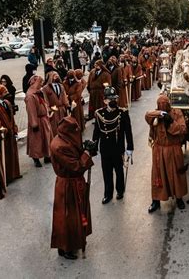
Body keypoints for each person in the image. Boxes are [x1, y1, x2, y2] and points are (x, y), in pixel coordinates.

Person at [50, 116, 94, 260]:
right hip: (68, 184)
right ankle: (66, 246)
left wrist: (84, 149)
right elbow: (76, 166)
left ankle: (69, 243)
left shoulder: (65, 139)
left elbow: (76, 152)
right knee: (67, 216)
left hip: (71, 183)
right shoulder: (59, 146)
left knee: (71, 215)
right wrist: (87, 153)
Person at [145, 95, 188, 213]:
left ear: (169, 104)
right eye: (160, 104)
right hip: (159, 150)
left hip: (173, 149)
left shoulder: (177, 113)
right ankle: (156, 201)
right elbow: (147, 115)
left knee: (177, 173)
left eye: (164, 104)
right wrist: (159, 114)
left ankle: (179, 198)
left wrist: (170, 122)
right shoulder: (156, 114)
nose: (162, 106)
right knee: (158, 175)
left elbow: (183, 129)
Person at [92, 87, 134, 204]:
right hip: (105, 149)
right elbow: (97, 132)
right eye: (110, 99)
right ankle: (108, 194)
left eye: (114, 98)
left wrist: (130, 147)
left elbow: (128, 131)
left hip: (117, 148)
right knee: (107, 173)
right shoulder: (99, 113)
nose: (113, 100)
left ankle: (120, 191)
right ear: (105, 101)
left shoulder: (122, 113)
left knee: (119, 171)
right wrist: (93, 148)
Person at [0, 85, 22, 184]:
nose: (6, 93)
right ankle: (6, 177)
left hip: (10, 133)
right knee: (5, 156)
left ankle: (14, 173)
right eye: (4, 91)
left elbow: (12, 117)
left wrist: (14, 129)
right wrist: (3, 130)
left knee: (13, 154)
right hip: (3, 135)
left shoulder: (7, 102)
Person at [25, 75, 53, 167]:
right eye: (40, 82)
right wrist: (34, 124)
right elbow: (31, 110)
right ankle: (36, 158)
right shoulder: (30, 95)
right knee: (36, 141)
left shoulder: (38, 92)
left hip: (44, 119)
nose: (41, 84)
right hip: (37, 121)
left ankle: (47, 155)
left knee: (46, 138)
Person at [42, 71, 69, 135]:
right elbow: (46, 100)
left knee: (63, 125)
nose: (56, 76)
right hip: (53, 111)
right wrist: (49, 110)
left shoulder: (61, 86)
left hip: (62, 109)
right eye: (54, 75)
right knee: (54, 127)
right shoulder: (46, 88)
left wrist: (67, 105)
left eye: (57, 75)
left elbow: (64, 96)